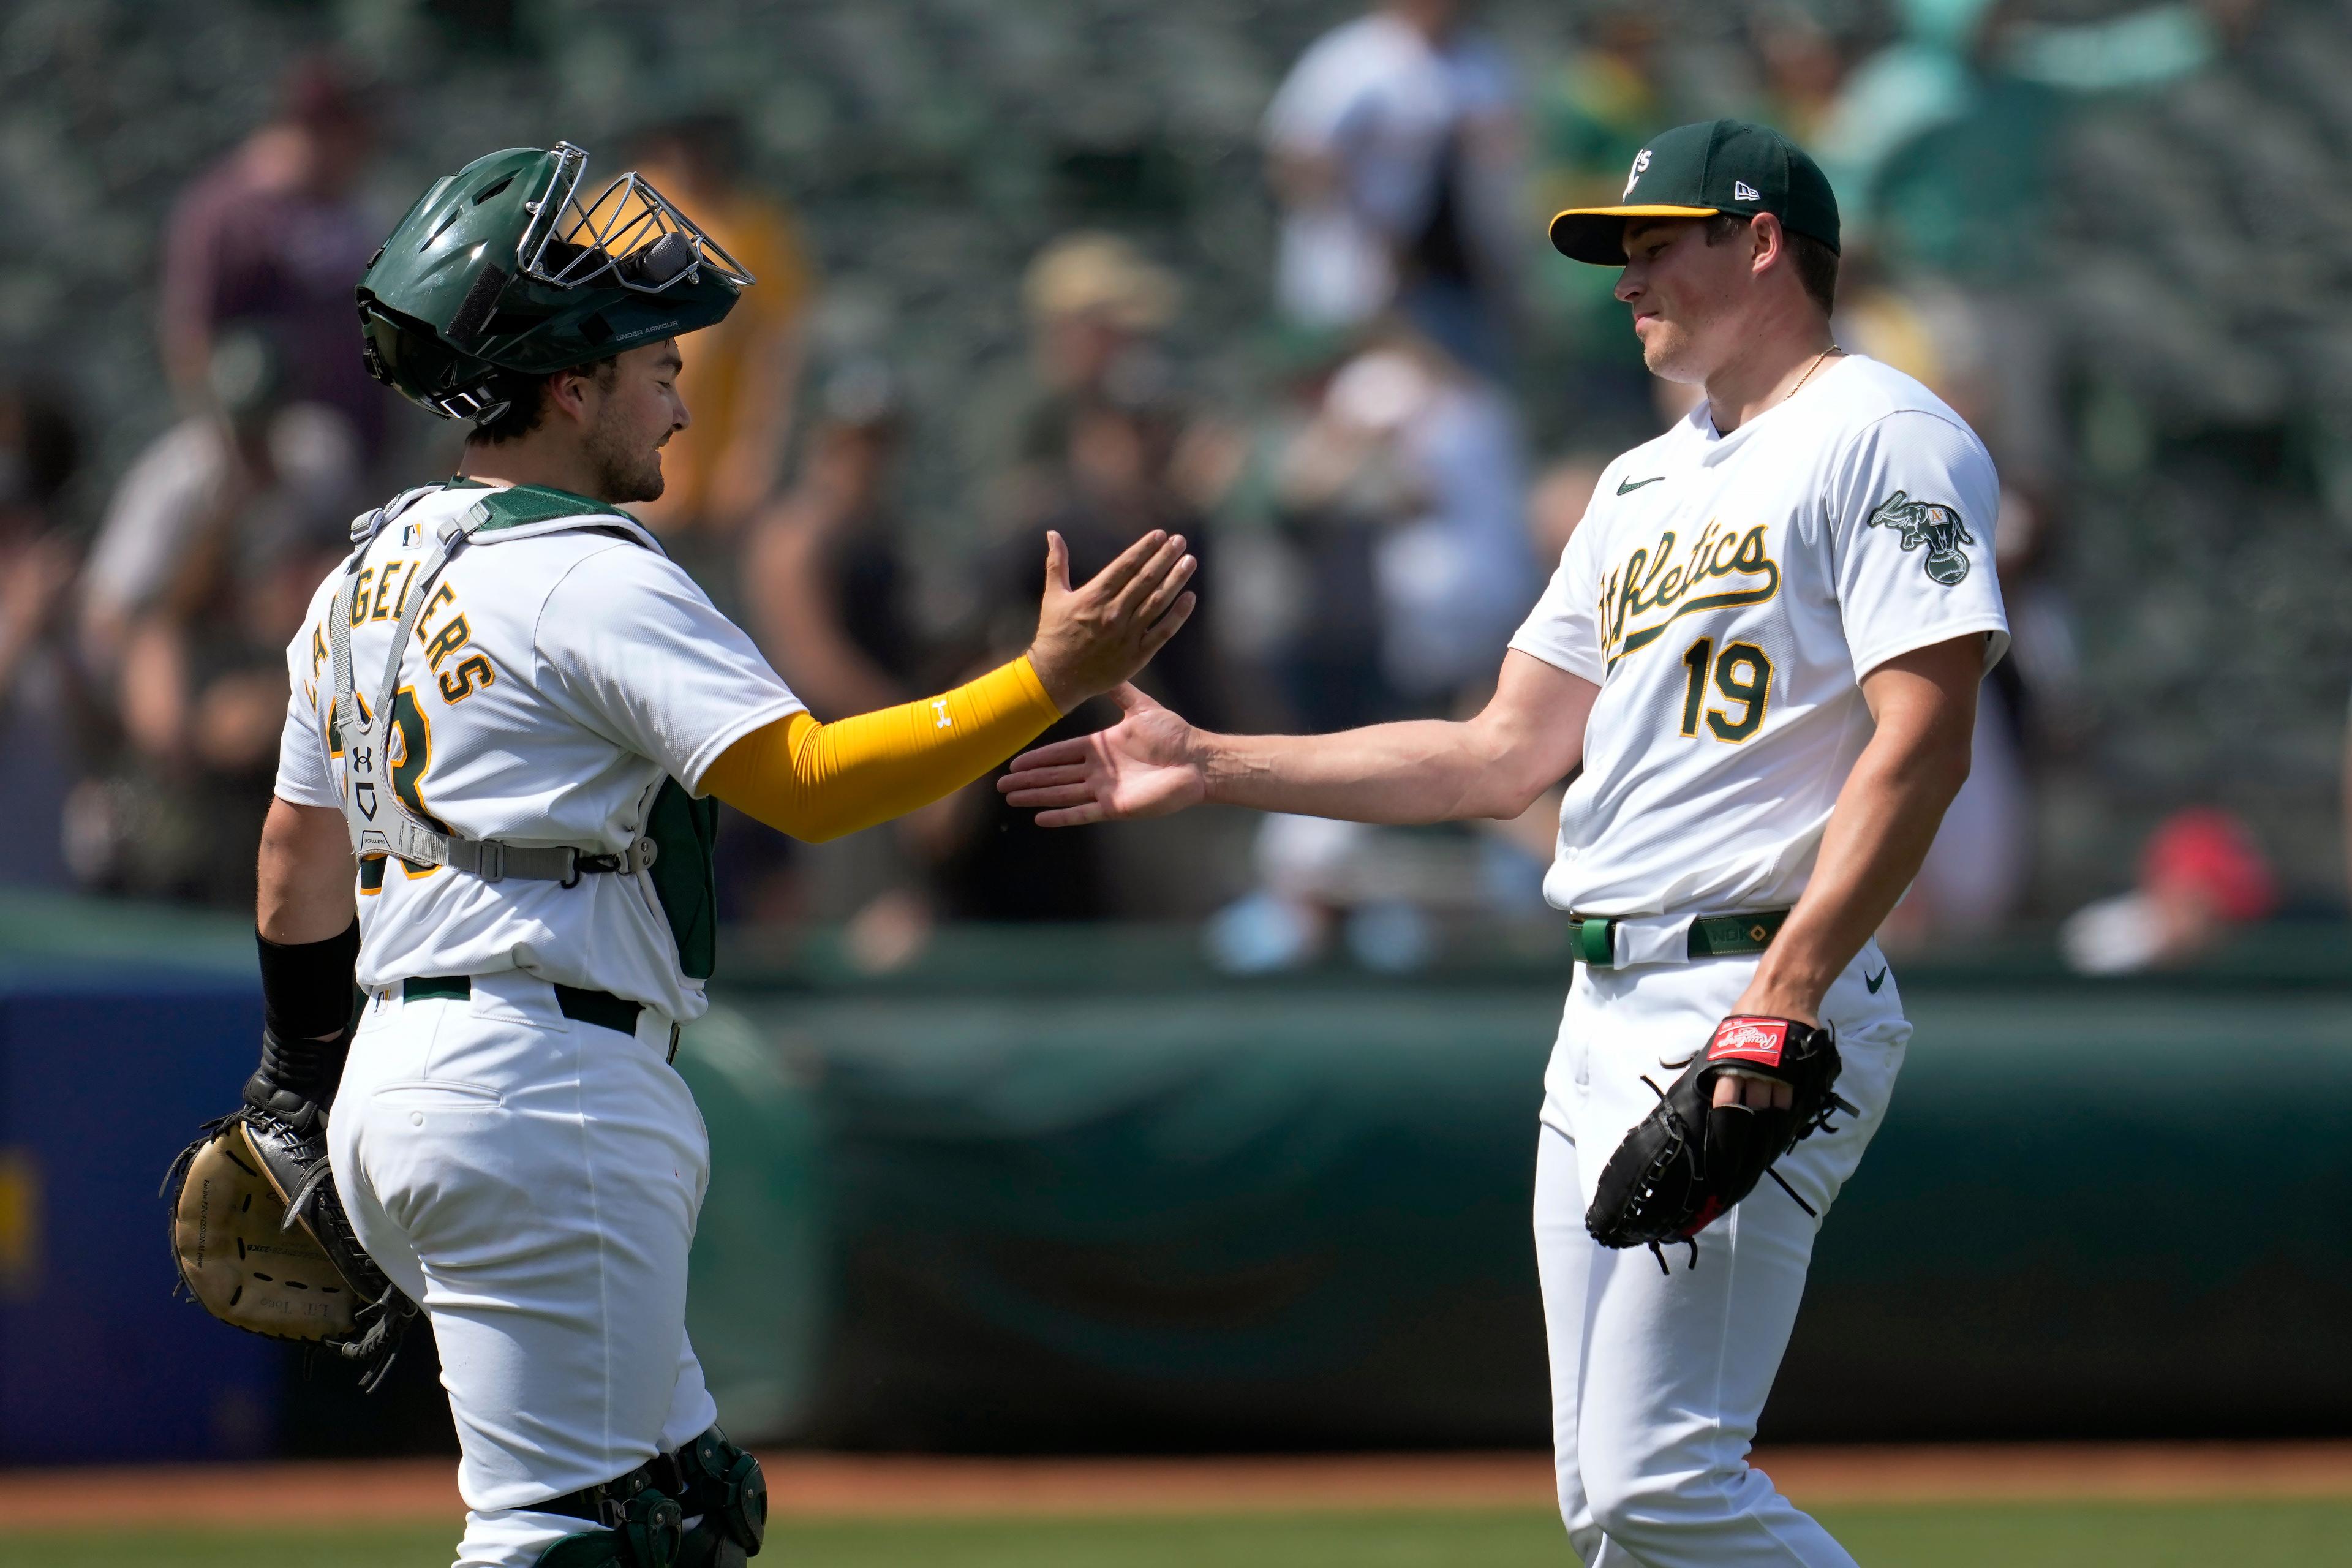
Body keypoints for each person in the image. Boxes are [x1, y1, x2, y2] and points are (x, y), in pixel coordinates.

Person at [1003, 119, 2008, 1568]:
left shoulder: (1883, 432)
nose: (1624, 277)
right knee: (1606, 1504)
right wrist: (1212, 761)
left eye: (1654, 241)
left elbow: (1924, 737)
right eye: (1620, 251)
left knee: (1659, 1476)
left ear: (1763, 241)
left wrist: (1779, 1000)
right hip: (1600, 998)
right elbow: (1496, 753)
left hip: (1752, 976)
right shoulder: (1637, 484)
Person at [247, 142, 1194, 1568]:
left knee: (681, 1518)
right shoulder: (587, 566)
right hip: (538, 1075)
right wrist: (1042, 679)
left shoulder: (364, 571)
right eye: (655, 369)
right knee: (563, 1537)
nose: (681, 406)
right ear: (570, 385)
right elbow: (809, 786)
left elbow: (287, 867)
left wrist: (296, 1085)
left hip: (413, 1064)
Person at [157, 53, 385, 457]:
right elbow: (192, 338)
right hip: (269, 441)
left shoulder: (348, 211)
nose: (363, 155)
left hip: (358, 442)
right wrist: (233, 444)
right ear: (322, 131)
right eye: (355, 137)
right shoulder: (228, 211)